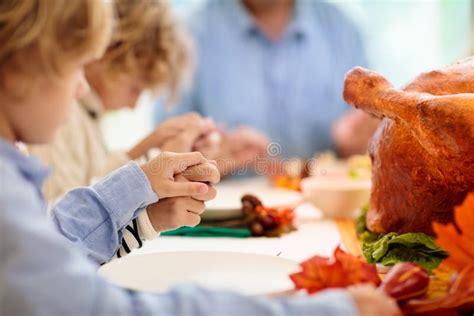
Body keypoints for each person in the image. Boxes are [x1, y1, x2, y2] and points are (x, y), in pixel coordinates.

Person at [0, 0, 400, 315]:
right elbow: (97, 307)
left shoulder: (343, 26)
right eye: (76, 67)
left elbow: (55, 242)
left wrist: (141, 195)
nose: (82, 86)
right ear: (19, 63)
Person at [154, 0, 380, 165]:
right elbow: (165, 156)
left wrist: (361, 142)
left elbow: (372, 140)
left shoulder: (345, 27)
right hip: (223, 219)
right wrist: (212, 158)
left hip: (328, 215)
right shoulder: (186, 34)